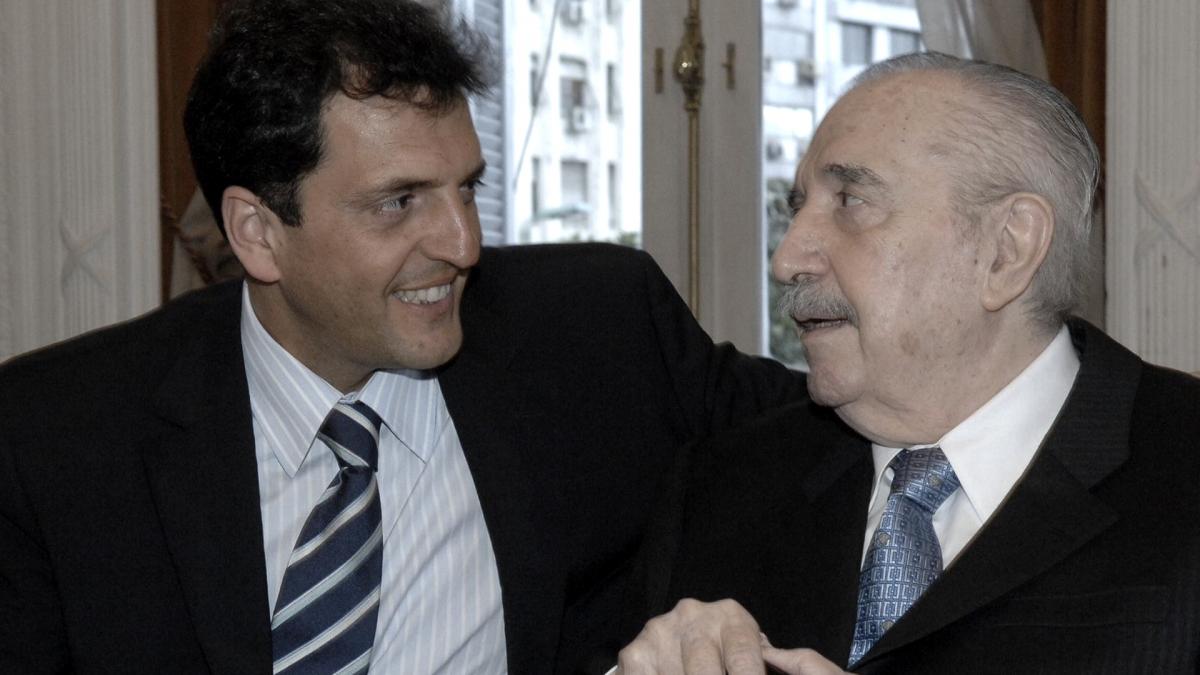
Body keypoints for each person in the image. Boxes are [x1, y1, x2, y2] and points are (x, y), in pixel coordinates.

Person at [0, 1, 805, 673]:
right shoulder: (52, 442)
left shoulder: (599, 330)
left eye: (467, 188)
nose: (462, 243)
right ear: (257, 232)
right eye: (399, 202)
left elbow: (837, 432)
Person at [615, 52, 1200, 674]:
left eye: (850, 201)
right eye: (797, 208)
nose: (787, 259)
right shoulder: (720, 490)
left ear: (1006, 248)